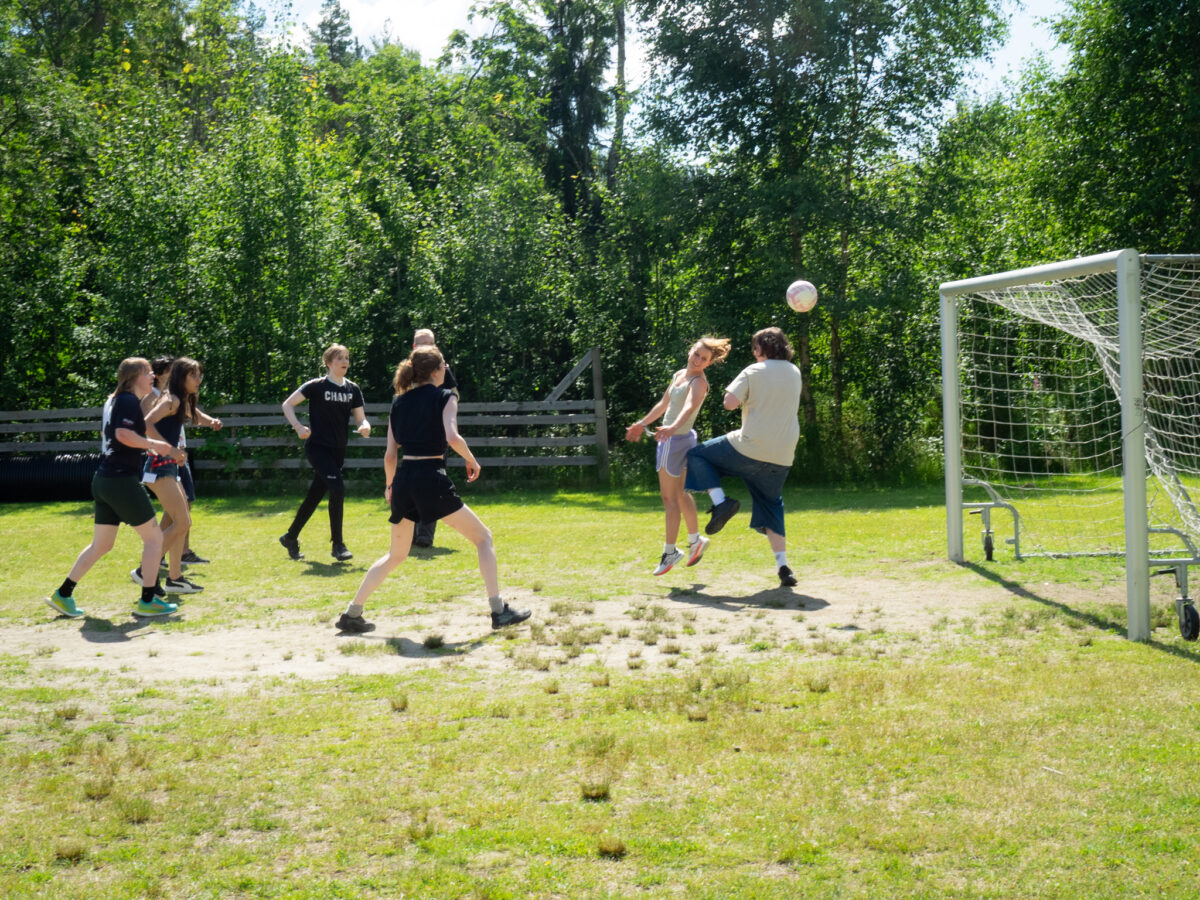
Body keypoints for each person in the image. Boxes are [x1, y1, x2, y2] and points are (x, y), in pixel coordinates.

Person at [335, 345, 530, 634]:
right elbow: (452, 436)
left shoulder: (399, 403)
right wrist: (471, 459)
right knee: (484, 539)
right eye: (444, 367)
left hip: (404, 480)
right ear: (437, 371)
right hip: (430, 478)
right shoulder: (446, 396)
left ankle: (352, 614)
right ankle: (498, 611)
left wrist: (390, 485)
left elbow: (390, 456)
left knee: (396, 555)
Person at [44, 358, 182, 619]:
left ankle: (63, 594)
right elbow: (122, 435)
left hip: (104, 479)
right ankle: (149, 600)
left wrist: (145, 444)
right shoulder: (128, 400)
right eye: (148, 373)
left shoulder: (112, 400)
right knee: (154, 539)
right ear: (134, 376)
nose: (153, 376)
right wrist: (157, 445)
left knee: (102, 544)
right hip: (120, 480)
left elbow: (108, 435)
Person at [684, 327, 804, 587]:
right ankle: (783, 567)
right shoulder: (794, 372)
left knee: (696, 455)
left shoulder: (753, 370)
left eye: (754, 348)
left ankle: (721, 502)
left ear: (761, 349)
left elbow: (729, 403)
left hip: (750, 447)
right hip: (783, 454)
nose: (754, 352)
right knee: (772, 503)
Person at [625, 336, 731, 575]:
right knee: (681, 495)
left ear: (708, 364)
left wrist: (672, 428)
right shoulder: (679, 374)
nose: (698, 360)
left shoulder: (698, 382)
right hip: (677, 438)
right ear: (691, 350)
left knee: (669, 500)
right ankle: (695, 541)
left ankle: (670, 551)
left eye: (704, 359)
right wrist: (641, 424)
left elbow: (689, 407)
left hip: (674, 442)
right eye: (696, 354)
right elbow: (664, 404)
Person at [134, 357, 221, 594]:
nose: (199, 380)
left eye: (199, 375)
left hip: (169, 467)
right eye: (194, 375)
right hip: (159, 466)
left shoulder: (181, 400)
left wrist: (211, 421)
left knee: (178, 522)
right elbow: (145, 424)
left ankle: (174, 578)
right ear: (182, 377)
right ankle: (144, 570)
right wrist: (170, 449)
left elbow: (195, 414)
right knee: (183, 522)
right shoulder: (171, 400)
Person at [280, 344, 371, 562]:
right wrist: (298, 427)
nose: (345, 362)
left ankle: (290, 537)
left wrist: (365, 426)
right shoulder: (316, 386)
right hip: (318, 448)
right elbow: (287, 405)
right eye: (339, 358)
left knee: (315, 495)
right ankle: (338, 545)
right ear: (328, 363)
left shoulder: (352, 389)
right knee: (337, 489)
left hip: (338, 451)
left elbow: (360, 417)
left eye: (347, 358)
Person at [410, 328, 458, 549]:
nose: (427, 347)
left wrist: (444, 406)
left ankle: (425, 535)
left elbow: (455, 393)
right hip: (413, 436)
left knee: (434, 484)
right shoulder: (407, 370)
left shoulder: (442, 368)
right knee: (411, 485)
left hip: (437, 435)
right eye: (422, 344)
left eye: (430, 344)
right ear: (414, 347)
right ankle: (409, 533)